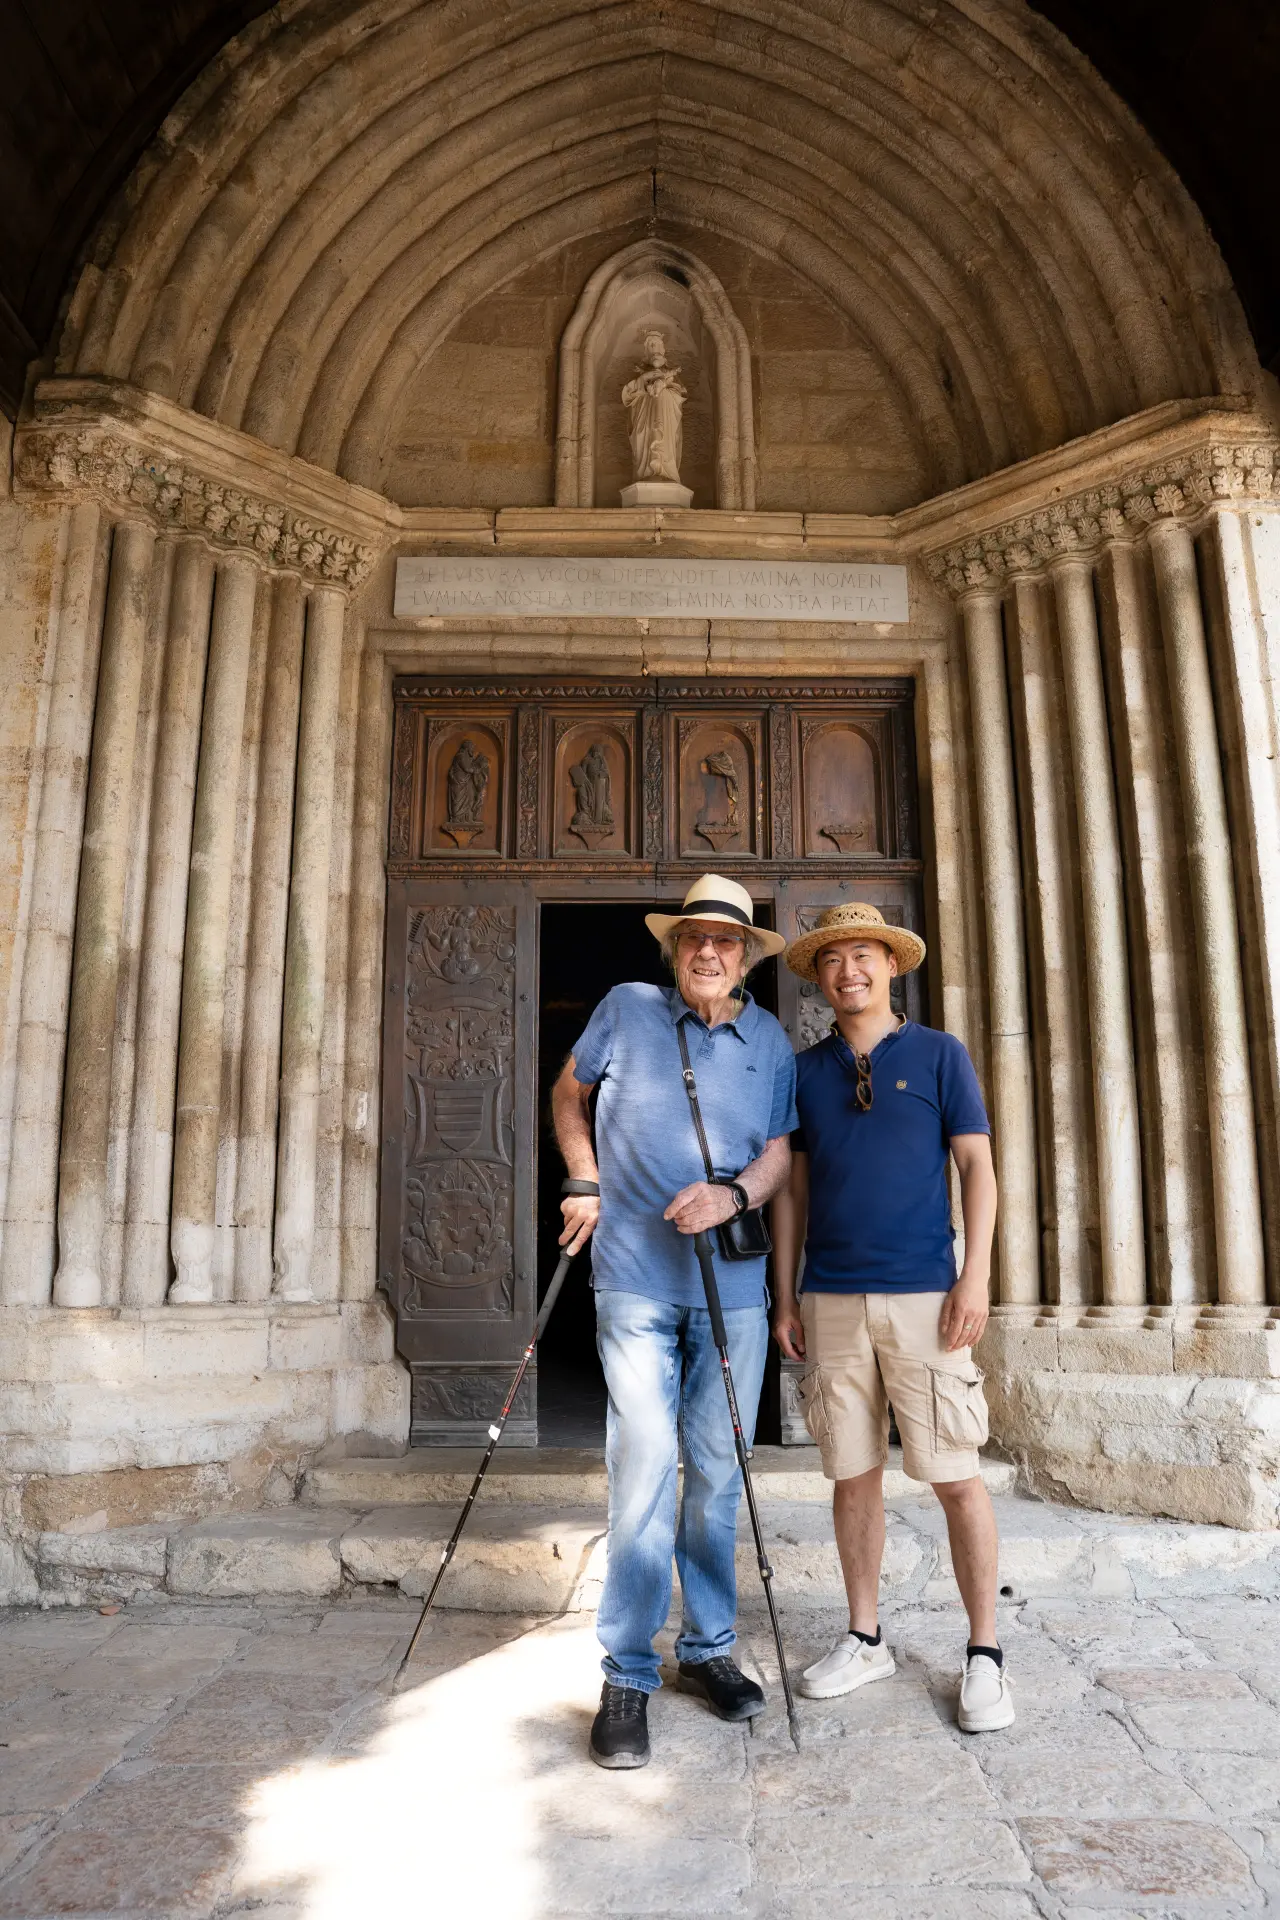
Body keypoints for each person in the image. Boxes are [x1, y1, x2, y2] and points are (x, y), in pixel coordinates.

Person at [551, 874, 797, 1769]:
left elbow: (777, 1155)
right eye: (693, 938)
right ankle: (626, 1671)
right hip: (634, 1282)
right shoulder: (627, 1007)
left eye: (725, 943)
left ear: (744, 958)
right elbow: (570, 1093)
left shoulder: (766, 1037)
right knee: (646, 1463)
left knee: (719, 1471)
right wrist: (584, 1174)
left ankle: (708, 1653)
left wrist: (732, 1192)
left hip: (730, 1288)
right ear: (674, 948)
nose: (708, 952)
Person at [772, 903, 1013, 1734]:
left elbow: (977, 1166)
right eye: (834, 960)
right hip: (831, 1297)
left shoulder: (941, 1054)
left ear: (891, 966)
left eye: (864, 956)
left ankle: (984, 1655)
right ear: (819, 977)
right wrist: (785, 1294)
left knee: (954, 1475)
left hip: (926, 1295)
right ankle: (865, 1636)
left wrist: (975, 1276)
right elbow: (794, 1194)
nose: (850, 972)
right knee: (851, 1474)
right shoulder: (804, 1072)